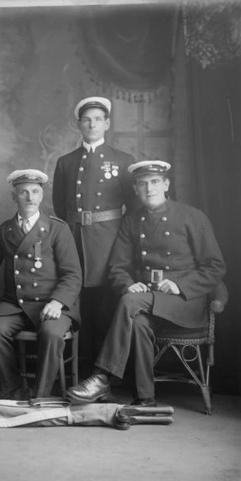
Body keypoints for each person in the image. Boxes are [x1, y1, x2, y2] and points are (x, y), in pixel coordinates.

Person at [66, 161, 226, 406]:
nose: (149, 188)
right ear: (136, 189)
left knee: (131, 303)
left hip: (187, 303)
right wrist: (128, 284)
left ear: (166, 184)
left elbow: (215, 267)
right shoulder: (131, 220)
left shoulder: (192, 217)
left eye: (154, 182)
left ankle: (102, 377)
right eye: (142, 184)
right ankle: (145, 399)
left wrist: (180, 286)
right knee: (138, 322)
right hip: (148, 301)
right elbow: (117, 267)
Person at [0, 169, 82, 399]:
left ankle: (40, 396)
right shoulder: (3, 231)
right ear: (14, 197)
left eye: (35, 192)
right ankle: (14, 389)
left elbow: (73, 274)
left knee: (51, 333)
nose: (30, 197)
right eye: (23, 192)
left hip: (52, 304)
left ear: (41, 196)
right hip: (16, 304)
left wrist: (58, 302)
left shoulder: (57, 229)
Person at [52, 96, 139, 362]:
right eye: (87, 120)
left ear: (107, 124)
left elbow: (133, 207)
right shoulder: (66, 162)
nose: (92, 125)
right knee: (80, 304)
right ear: (78, 124)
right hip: (75, 239)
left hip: (110, 241)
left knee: (107, 305)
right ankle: (82, 369)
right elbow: (59, 206)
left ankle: (106, 373)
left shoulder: (123, 160)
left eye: (98, 120)